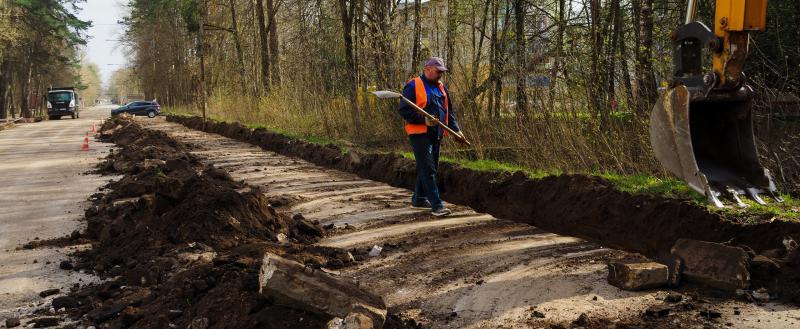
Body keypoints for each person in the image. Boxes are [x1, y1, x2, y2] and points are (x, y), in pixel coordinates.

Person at [398, 57, 465, 217]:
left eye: (442, 72)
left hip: (437, 134)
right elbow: (404, 110)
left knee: (430, 166)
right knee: (428, 168)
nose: (441, 74)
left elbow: (450, 111)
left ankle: (419, 199)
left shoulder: (441, 87)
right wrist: (424, 120)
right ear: (428, 69)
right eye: (438, 71)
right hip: (419, 134)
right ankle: (437, 205)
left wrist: (457, 130)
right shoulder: (413, 85)